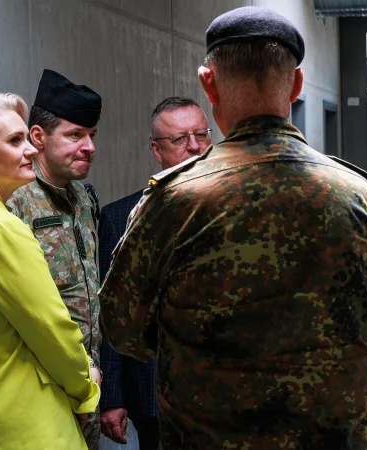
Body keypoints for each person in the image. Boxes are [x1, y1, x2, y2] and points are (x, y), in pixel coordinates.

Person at [99, 6, 367, 448]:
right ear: (296, 83)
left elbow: (123, 328)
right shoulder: (353, 191)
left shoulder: (174, 199)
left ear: (208, 82)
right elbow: (362, 318)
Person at [0, 92, 100, 449]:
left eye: (26, 137)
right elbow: (52, 329)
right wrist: (87, 387)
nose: (30, 149)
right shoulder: (0, 228)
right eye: (15, 141)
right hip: (25, 424)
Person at [99, 96, 211, 448]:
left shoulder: (241, 209)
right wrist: (113, 397)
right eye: (179, 139)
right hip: (155, 392)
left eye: (201, 135)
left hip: (225, 389)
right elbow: (113, 312)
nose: (193, 147)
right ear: (156, 150)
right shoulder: (121, 218)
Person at [6, 69, 103, 449]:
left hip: (87, 382)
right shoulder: (15, 200)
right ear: (37, 137)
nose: (89, 146)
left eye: (92, 135)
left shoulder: (84, 197)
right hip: (39, 383)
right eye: (75, 135)